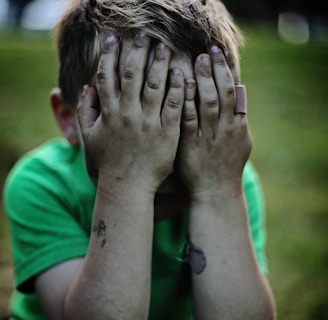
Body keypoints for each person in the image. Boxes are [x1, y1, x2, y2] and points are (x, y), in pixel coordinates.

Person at [3, 0, 276, 319]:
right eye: (130, 127)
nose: (159, 160)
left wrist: (217, 192)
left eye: (188, 122)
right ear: (67, 117)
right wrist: (126, 180)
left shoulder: (230, 180)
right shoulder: (43, 184)